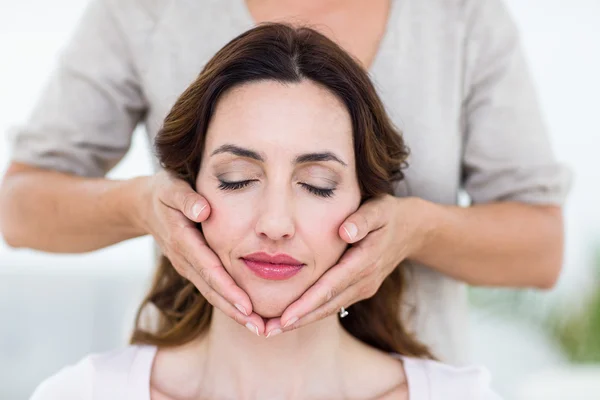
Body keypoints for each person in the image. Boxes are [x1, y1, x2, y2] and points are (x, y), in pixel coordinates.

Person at [0, 0, 570, 365]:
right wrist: (139, 205)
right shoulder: (146, 11)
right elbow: (19, 210)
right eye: (236, 178)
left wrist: (416, 229)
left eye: (320, 184)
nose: (275, 223)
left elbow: (540, 251)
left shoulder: (462, 17)